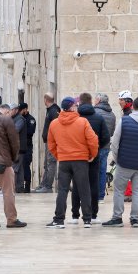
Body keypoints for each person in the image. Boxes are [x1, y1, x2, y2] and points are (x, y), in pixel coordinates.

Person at [103, 97, 138, 228]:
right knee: (137, 191)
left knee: (119, 190)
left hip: (124, 162)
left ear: (133, 107)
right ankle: (135, 219)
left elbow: (115, 143)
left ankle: (117, 218)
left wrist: (117, 159)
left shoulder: (124, 121)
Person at [45, 97, 99, 228]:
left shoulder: (54, 123)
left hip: (64, 161)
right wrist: (92, 155)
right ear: (72, 107)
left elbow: (51, 144)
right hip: (80, 160)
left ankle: (58, 219)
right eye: (76, 105)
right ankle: (87, 219)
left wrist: (60, 155)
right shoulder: (82, 122)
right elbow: (93, 140)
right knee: (84, 189)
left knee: (62, 190)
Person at [70, 92, 110, 224]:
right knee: (93, 183)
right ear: (91, 101)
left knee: (76, 185)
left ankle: (75, 215)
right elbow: (105, 137)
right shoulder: (98, 118)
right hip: (94, 156)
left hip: (77, 156)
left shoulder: (75, 118)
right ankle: (93, 214)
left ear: (80, 102)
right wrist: (96, 149)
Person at [33, 93, 60, 193]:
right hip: (48, 141)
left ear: (45, 100)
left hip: (52, 142)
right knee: (46, 164)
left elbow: (57, 127)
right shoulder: (50, 110)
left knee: (50, 163)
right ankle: (43, 184)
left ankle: (48, 187)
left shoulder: (54, 111)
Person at [94, 92, 116, 203]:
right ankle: (100, 197)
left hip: (95, 146)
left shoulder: (95, 112)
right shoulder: (112, 115)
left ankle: (92, 195)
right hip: (106, 146)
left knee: (93, 170)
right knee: (102, 171)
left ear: (98, 100)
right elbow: (111, 133)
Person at [117, 89, 135, 202]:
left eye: (121, 100)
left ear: (127, 100)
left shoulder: (129, 113)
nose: (119, 102)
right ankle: (129, 192)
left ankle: (129, 193)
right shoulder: (126, 112)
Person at [9, 104, 28, 193]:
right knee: (19, 169)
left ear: (16, 110)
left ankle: (11, 188)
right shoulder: (14, 118)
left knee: (13, 168)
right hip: (18, 147)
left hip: (19, 148)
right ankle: (19, 187)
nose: (9, 112)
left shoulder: (20, 119)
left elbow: (15, 130)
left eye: (11, 110)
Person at [18, 103, 36, 192]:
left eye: (22, 110)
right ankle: (20, 185)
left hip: (27, 146)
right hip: (20, 146)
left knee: (26, 165)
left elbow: (31, 131)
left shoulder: (31, 119)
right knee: (19, 166)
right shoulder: (19, 118)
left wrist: (21, 130)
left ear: (25, 109)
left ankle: (27, 186)